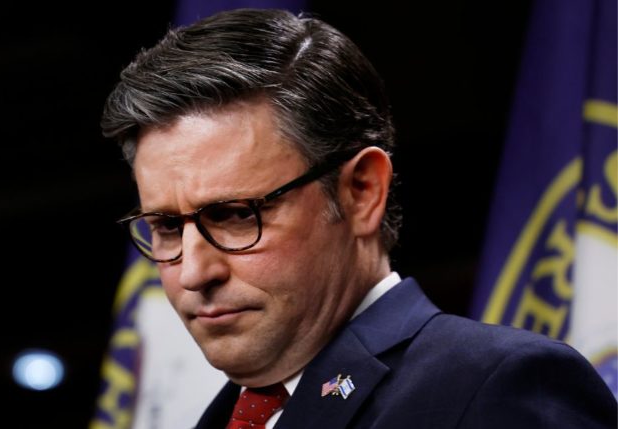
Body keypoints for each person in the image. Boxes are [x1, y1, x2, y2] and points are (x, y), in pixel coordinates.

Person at [101, 8, 617, 429]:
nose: (193, 273)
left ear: (361, 192)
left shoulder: (494, 390)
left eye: (236, 214)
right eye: (167, 227)